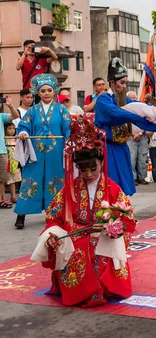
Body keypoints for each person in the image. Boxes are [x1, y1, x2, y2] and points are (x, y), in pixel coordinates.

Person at [32, 115, 135, 307]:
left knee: (95, 244)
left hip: (102, 235)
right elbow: (53, 217)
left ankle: (102, 288)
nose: (88, 174)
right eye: (83, 169)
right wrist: (53, 234)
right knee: (80, 247)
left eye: (93, 169)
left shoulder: (111, 188)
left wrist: (109, 225)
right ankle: (86, 292)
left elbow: (128, 218)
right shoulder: (69, 189)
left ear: (101, 163)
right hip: (75, 236)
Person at [94, 58, 156, 196]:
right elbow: (117, 114)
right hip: (106, 148)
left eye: (125, 83)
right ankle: (108, 210)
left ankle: (121, 208)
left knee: (123, 182)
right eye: (122, 83)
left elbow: (139, 107)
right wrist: (139, 116)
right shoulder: (103, 100)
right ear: (112, 83)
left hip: (121, 146)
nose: (124, 86)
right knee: (110, 181)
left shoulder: (123, 99)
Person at [14, 74, 71, 229]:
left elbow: (68, 128)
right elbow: (23, 126)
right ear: (37, 93)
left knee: (56, 180)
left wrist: (70, 139)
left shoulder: (62, 110)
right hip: (36, 153)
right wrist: (24, 133)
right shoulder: (32, 111)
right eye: (43, 90)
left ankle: (56, 214)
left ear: (54, 92)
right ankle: (21, 215)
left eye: (49, 90)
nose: (46, 93)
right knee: (30, 180)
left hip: (56, 153)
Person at [125, 91, 150, 186]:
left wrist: (140, 133)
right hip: (130, 136)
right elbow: (124, 123)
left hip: (142, 136)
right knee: (132, 158)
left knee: (142, 158)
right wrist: (133, 134)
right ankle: (133, 178)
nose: (132, 100)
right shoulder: (125, 109)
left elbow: (146, 122)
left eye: (134, 98)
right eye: (130, 98)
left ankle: (142, 177)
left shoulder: (141, 109)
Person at [0, 99, 20, 208]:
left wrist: (11, 106)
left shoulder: (1, 116)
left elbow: (15, 116)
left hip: (2, 151)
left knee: (2, 179)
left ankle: (1, 200)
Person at [3, 122, 21, 207]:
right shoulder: (4, 139)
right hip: (6, 161)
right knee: (3, 180)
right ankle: (3, 198)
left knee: (13, 180)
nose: (12, 131)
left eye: (13, 128)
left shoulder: (15, 139)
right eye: (9, 129)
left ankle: (13, 196)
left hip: (14, 162)